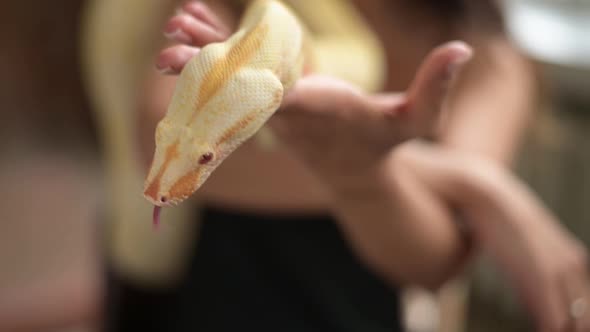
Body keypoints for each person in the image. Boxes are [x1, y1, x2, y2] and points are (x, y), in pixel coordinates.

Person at [108, 1, 590, 332]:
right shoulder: (239, 8)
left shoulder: (487, 59)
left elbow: (434, 260)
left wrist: (360, 171)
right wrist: (474, 184)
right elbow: (160, 134)